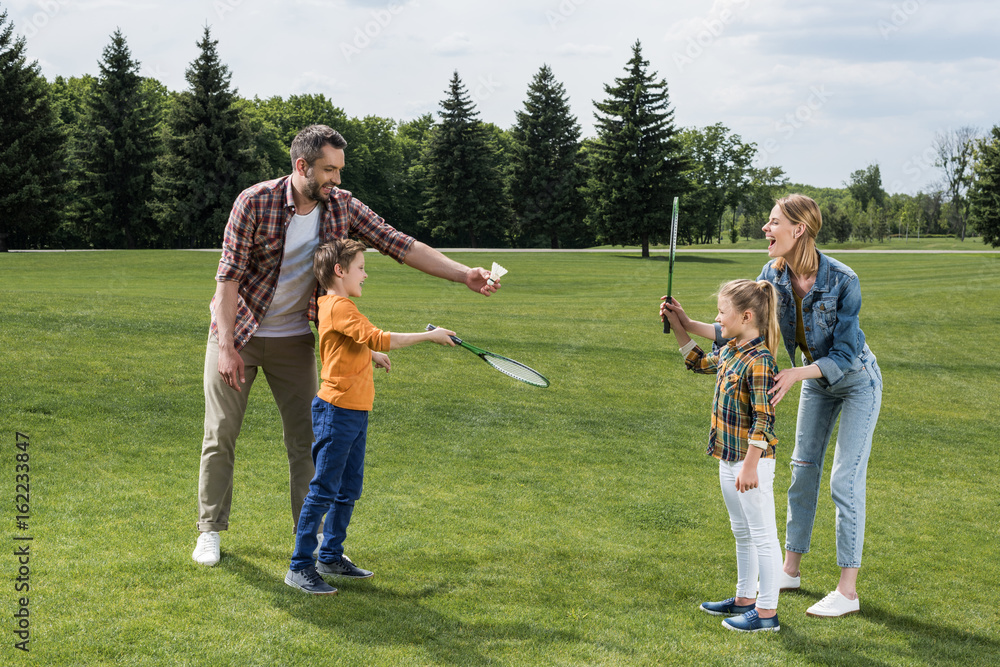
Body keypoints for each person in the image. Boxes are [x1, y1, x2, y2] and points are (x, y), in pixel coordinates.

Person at [193, 125, 500, 567]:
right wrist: (225, 347)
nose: (336, 180)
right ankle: (210, 530)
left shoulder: (341, 206)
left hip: (296, 338)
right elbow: (228, 279)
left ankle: (310, 541)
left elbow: (400, 243)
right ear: (302, 166)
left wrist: (461, 274)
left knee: (308, 442)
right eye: (328, 170)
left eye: (339, 170)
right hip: (236, 332)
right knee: (221, 433)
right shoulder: (254, 201)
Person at [662, 194, 883, 618]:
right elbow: (740, 331)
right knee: (802, 471)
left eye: (773, 222)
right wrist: (685, 323)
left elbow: (848, 353)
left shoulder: (842, 279)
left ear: (798, 229)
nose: (765, 229)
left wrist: (798, 374)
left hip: (855, 381)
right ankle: (790, 571)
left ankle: (847, 591)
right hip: (813, 382)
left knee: (844, 480)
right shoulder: (771, 275)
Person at [285, 239, 458, 594]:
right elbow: (378, 337)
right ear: (340, 270)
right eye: (361, 268)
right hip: (337, 411)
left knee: (348, 488)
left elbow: (350, 342)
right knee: (322, 491)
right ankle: (300, 566)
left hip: (355, 411)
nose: (365, 275)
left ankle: (330, 555)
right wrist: (429, 337)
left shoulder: (336, 307)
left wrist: (368, 355)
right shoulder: (339, 306)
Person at [661, 279, 782, 633]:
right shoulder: (731, 349)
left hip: (752, 465)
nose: (716, 318)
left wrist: (750, 465)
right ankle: (745, 598)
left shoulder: (760, 361)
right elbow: (698, 362)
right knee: (741, 531)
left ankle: (767, 613)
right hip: (728, 457)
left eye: (720, 312)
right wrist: (680, 326)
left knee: (763, 536)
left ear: (745, 316)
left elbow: (764, 419)